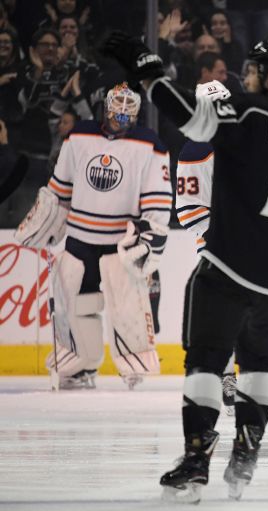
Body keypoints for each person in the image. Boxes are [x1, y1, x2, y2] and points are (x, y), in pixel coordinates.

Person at [102, 34, 268, 502]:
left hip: (230, 266)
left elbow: (189, 116)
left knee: (205, 361)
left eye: (257, 70)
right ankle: (246, 452)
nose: (249, 77)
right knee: (260, 363)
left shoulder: (249, 113)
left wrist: (147, 68)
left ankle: (197, 457)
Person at [13, 82, 171, 390]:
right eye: (117, 112)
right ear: (107, 108)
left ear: (137, 113)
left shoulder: (151, 144)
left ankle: (133, 363)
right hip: (80, 240)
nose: (121, 119)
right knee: (76, 305)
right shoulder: (80, 136)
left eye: (128, 113)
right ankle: (81, 365)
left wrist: (148, 234)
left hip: (119, 243)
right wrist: (48, 223)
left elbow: (157, 200)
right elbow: (60, 188)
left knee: (127, 305)